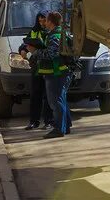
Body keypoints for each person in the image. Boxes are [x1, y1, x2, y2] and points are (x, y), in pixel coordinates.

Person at [37, 11, 73, 139]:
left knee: (55, 102)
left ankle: (59, 129)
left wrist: (35, 52)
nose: (44, 22)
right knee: (61, 99)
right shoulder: (59, 33)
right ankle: (65, 126)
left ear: (51, 22)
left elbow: (52, 54)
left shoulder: (54, 36)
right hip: (61, 72)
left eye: (46, 20)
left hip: (57, 73)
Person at [20, 12, 53, 130]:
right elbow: (25, 43)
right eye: (39, 21)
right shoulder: (34, 31)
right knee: (35, 95)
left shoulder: (52, 31)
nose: (42, 23)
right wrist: (23, 50)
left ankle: (49, 121)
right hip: (36, 68)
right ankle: (34, 121)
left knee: (48, 96)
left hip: (49, 68)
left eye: (44, 21)